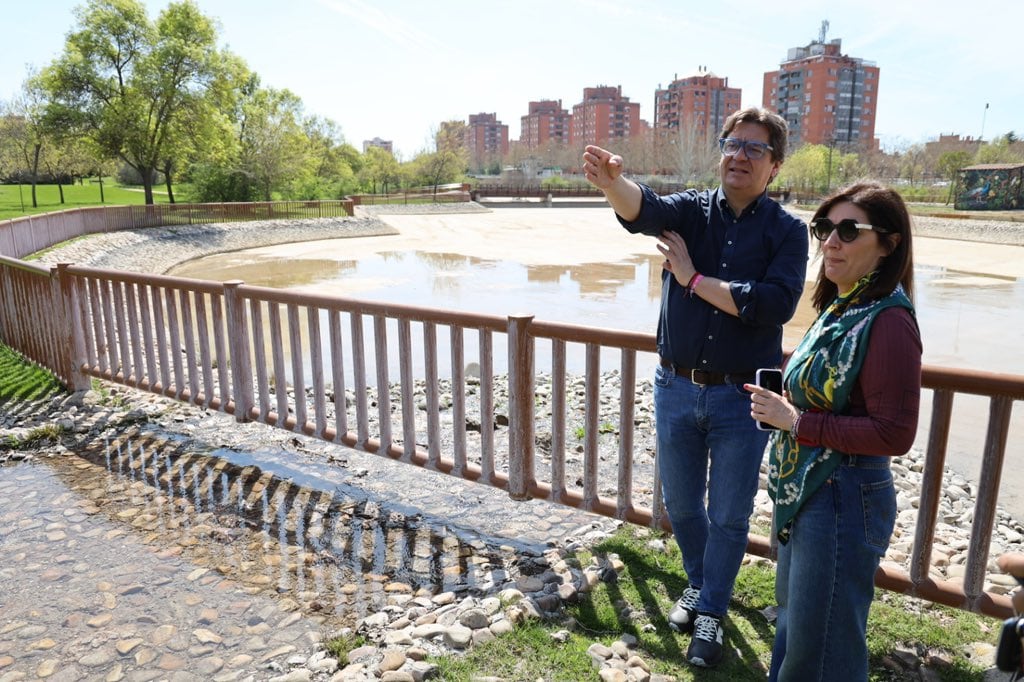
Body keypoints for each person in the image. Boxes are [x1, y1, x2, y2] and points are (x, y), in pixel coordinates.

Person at [582, 106, 808, 667]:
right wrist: (615, 184)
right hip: (676, 387)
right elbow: (644, 210)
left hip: (741, 398)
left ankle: (709, 610)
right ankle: (705, 586)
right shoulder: (691, 211)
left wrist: (693, 280)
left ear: (774, 166)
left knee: (729, 514)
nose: (739, 156)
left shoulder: (787, 232)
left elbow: (772, 305)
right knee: (683, 504)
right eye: (732, 144)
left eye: (754, 149)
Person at [746, 181, 921, 681]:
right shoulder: (843, 307)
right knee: (799, 631)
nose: (831, 241)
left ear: (888, 243)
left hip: (843, 496)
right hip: (813, 491)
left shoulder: (887, 320)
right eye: (824, 228)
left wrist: (796, 421)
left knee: (821, 648)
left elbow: (894, 433)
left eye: (849, 230)